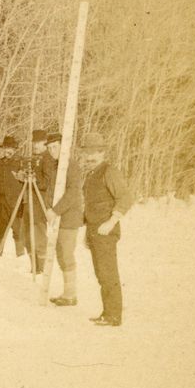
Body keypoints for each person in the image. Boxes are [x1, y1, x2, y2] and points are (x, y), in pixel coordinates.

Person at [81, 132, 134, 327]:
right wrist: (86, 231)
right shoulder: (91, 174)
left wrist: (111, 222)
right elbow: (91, 204)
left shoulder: (109, 171)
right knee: (101, 273)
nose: (90, 156)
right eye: (87, 153)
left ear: (103, 153)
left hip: (106, 231)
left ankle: (114, 316)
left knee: (108, 273)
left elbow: (125, 198)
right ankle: (107, 312)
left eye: (95, 152)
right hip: (94, 230)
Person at [42, 132, 84, 306]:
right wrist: (47, 208)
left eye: (55, 147)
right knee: (59, 253)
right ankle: (67, 293)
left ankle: (70, 294)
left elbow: (73, 192)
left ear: (63, 146)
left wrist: (56, 211)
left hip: (68, 218)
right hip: (56, 218)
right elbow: (51, 191)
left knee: (66, 254)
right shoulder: (54, 167)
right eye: (50, 148)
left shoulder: (71, 166)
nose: (52, 151)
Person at [19, 129, 50, 273]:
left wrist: (35, 180)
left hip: (40, 203)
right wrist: (22, 177)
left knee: (39, 236)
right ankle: (34, 266)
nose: (36, 145)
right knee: (27, 235)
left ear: (45, 143)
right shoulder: (31, 159)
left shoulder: (48, 159)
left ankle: (41, 267)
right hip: (27, 202)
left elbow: (47, 183)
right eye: (34, 142)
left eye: (39, 142)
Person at [0, 135, 25, 256]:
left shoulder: (20, 162)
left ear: (15, 149)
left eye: (10, 148)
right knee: (0, 228)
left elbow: (25, 181)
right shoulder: (0, 163)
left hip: (16, 201)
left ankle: (20, 254)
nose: (7, 151)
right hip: (2, 201)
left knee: (18, 229)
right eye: (5, 148)